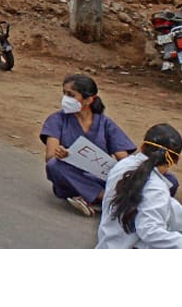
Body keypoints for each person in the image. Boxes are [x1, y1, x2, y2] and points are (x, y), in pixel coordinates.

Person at [41, 73, 135, 216]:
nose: (65, 99)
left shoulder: (105, 123)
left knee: (163, 180)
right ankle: (106, 198)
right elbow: (50, 156)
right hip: (72, 179)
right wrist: (62, 154)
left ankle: (91, 199)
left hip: (101, 178)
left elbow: (123, 157)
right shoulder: (57, 119)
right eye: (64, 94)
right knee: (54, 165)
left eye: (71, 95)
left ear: (88, 100)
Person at [97, 123, 182, 249]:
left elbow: (163, 203)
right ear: (172, 161)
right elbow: (150, 231)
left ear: (142, 146)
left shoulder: (122, 166)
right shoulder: (157, 187)